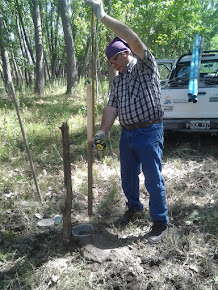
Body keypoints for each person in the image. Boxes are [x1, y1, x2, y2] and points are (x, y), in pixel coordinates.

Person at [86, 0, 169, 244]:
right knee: (128, 176)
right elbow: (112, 107)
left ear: (125, 54)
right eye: (110, 63)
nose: (112, 65)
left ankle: (160, 222)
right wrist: (101, 132)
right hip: (128, 134)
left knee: (153, 178)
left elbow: (132, 38)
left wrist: (103, 17)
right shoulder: (117, 81)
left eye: (114, 60)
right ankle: (134, 207)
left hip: (149, 131)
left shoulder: (145, 66)